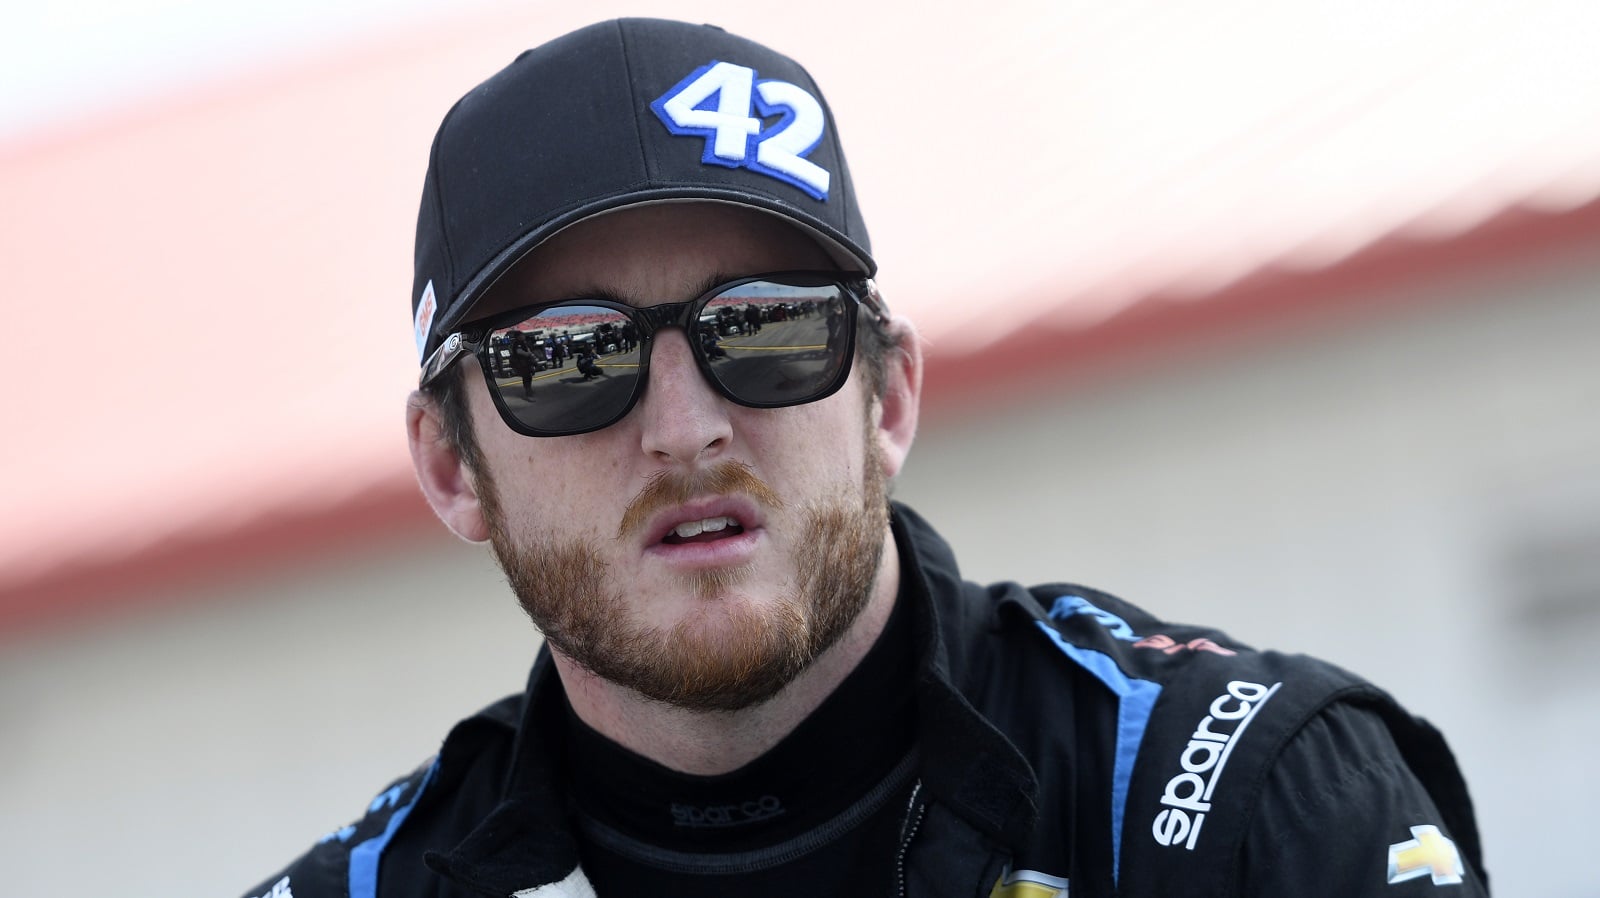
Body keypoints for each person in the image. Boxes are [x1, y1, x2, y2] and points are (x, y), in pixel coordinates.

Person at [245, 18, 1488, 898]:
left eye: (768, 326)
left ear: (887, 392)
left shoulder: (1248, 806)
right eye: (570, 360)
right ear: (451, 463)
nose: (684, 429)